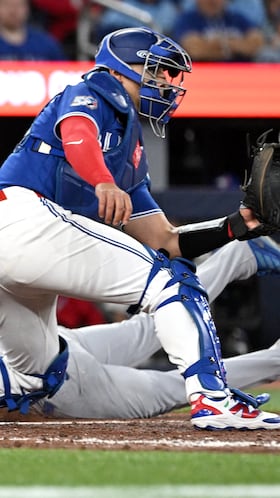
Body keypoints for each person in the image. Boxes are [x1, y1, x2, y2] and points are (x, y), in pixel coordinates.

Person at [0, 26, 279, 430]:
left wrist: (236, 226)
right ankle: (212, 398)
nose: (166, 82)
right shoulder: (94, 89)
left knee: (161, 296)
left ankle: (239, 266)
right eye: (156, 70)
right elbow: (78, 132)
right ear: (118, 69)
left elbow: (166, 240)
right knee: (168, 287)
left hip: (41, 330)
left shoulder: (127, 149)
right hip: (21, 219)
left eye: (168, 74)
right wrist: (102, 180)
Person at [30, 313, 279, 420]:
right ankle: (239, 255)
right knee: (150, 326)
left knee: (174, 387)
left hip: (55, 381)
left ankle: (275, 360)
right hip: (54, 340)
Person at [172, 0, 264, 62]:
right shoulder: (187, 19)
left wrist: (214, 45)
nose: (212, 1)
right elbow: (195, 50)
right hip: (204, 74)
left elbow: (257, 43)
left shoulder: (236, 18)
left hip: (241, 73)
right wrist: (235, 46)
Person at [0, 0, 66, 60]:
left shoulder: (45, 44)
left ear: (27, 8)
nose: (13, 11)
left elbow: (63, 69)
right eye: (6, 5)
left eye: (19, 5)